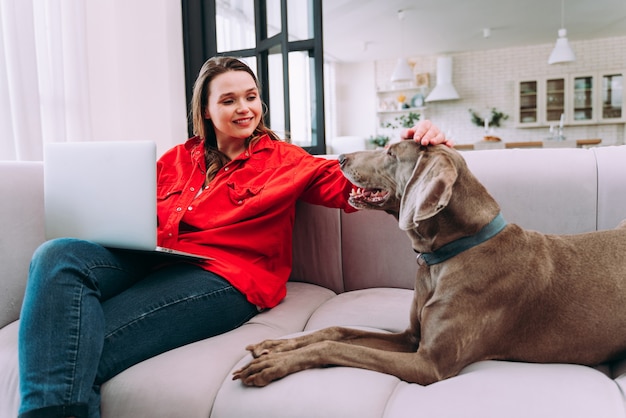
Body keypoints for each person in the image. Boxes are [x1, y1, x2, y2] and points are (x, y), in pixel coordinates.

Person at [17, 56, 450, 418]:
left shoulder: (287, 161)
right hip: (157, 258)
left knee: (68, 346)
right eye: (228, 100)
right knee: (57, 253)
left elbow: (351, 187)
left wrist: (413, 150)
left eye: (251, 97)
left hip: (226, 279)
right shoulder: (177, 158)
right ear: (206, 110)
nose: (245, 108)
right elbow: (130, 209)